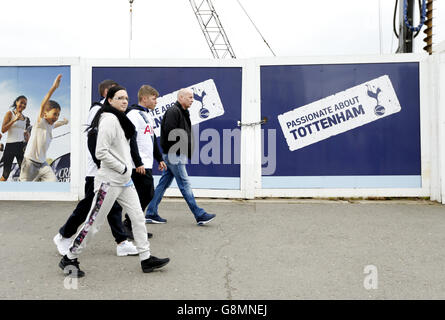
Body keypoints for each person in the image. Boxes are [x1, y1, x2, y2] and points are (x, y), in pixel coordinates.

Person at [58, 85, 170, 278]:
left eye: (126, 98)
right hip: (109, 181)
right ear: (109, 100)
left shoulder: (121, 119)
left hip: (125, 182)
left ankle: (146, 258)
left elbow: (124, 149)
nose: (124, 101)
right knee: (94, 224)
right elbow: (101, 152)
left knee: (137, 218)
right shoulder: (108, 119)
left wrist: (129, 167)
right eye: (119, 98)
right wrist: (123, 167)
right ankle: (70, 257)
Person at [54, 79, 140, 258]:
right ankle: (64, 235)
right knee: (88, 207)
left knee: (112, 207)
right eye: (118, 94)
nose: (123, 99)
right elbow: (92, 138)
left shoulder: (117, 113)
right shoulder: (98, 111)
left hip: (114, 172)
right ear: (107, 94)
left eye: (124, 96)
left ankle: (122, 242)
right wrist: (104, 164)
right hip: (99, 171)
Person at [145, 88, 216, 225]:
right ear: (181, 97)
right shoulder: (174, 111)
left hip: (175, 154)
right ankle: (199, 214)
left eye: (193, 97)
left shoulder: (182, 112)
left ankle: (151, 213)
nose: (192, 99)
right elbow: (170, 132)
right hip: (174, 154)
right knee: (184, 184)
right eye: (189, 97)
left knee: (163, 184)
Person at [123, 85, 167, 236]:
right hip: (138, 165)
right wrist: (138, 162)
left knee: (145, 194)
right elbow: (131, 139)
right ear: (144, 98)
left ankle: (133, 226)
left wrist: (159, 158)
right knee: (147, 194)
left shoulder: (147, 115)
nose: (156, 102)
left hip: (146, 163)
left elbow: (152, 138)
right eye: (154, 99)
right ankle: (129, 224)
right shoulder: (134, 114)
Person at [19, 75, 69, 182]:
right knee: (24, 188)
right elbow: (43, 105)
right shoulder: (40, 123)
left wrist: (64, 122)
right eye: (54, 114)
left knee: (54, 182)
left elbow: (57, 124)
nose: (56, 117)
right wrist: (54, 88)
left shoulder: (50, 126)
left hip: (43, 164)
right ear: (45, 114)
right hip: (30, 163)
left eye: (58, 115)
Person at [1, 96, 29, 181]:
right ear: (16, 102)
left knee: (25, 172)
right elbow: (3, 130)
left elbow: (24, 132)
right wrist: (14, 120)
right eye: (21, 102)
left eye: (25, 104)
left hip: (20, 146)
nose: (23, 105)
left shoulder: (25, 118)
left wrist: (27, 138)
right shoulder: (10, 113)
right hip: (10, 146)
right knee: (6, 175)